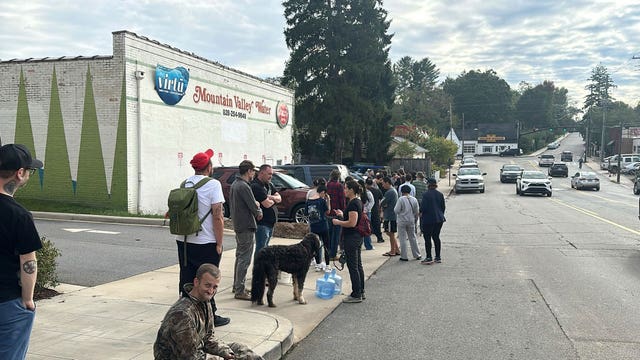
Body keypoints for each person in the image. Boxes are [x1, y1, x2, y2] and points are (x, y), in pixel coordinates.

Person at [154, 263, 264, 360]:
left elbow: (208, 338)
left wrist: (227, 353)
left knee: (241, 350)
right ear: (196, 282)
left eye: (215, 287)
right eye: (207, 285)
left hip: (197, 352)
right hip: (182, 357)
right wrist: (219, 358)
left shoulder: (205, 301)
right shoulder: (182, 314)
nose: (211, 291)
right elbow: (190, 356)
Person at [176, 148, 230, 327]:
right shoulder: (213, 184)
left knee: (187, 277)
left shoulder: (185, 183)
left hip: (184, 240)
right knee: (209, 280)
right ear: (209, 167)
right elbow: (217, 216)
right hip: (206, 242)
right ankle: (209, 316)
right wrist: (220, 243)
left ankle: (183, 315)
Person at [0, 144, 43, 360]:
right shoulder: (19, 215)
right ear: (19, 173)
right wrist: (28, 299)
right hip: (7, 303)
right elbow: (28, 261)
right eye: (29, 170)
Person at [229, 160, 262, 300]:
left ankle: (237, 285)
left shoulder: (235, 185)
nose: (254, 173)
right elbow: (253, 206)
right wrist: (258, 210)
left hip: (238, 224)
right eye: (253, 171)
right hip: (246, 225)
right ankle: (239, 290)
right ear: (249, 171)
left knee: (240, 256)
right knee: (245, 259)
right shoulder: (244, 186)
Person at [332, 180, 365, 303]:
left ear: (351, 190)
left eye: (346, 188)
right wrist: (342, 214)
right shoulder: (356, 202)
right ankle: (361, 290)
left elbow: (352, 223)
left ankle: (356, 293)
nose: (344, 190)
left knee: (353, 266)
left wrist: (338, 222)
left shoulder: (353, 204)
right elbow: (351, 219)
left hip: (352, 237)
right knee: (358, 265)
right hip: (356, 237)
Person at [251, 164, 281, 259]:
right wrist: (273, 200)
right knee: (261, 249)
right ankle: (258, 270)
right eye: (269, 174)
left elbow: (279, 198)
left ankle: (263, 270)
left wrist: (270, 197)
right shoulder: (256, 186)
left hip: (270, 223)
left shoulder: (269, 185)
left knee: (266, 249)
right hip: (262, 224)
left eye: (272, 174)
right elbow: (266, 204)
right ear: (261, 173)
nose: (271, 176)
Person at [420, 178, 446, 264]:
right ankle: (438, 257)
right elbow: (443, 207)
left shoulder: (425, 195)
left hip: (428, 219)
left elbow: (423, 208)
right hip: (439, 219)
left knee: (427, 238)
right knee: (436, 237)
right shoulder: (440, 194)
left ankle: (429, 256)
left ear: (428, 185)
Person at [306, 184, 331, 267]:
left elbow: (306, 213)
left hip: (313, 227)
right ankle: (327, 265)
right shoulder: (322, 201)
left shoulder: (308, 201)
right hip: (323, 226)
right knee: (326, 246)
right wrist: (328, 200)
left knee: (315, 246)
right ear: (323, 192)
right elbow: (328, 212)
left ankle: (317, 264)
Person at [394, 185, 421, 262]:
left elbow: (396, 210)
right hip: (411, 220)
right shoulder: (414, 199)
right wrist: (415, 219)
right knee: (412, 237)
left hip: (402, 220)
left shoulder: (401, 199)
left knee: (402, 238)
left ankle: (404, 256)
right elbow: (416, 211)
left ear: (402, 191)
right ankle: (417, 254)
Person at [326, 169, 345, 260]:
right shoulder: (339, 186)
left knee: (329, 234)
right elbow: (342, 199)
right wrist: (343, 210)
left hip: (328, 212)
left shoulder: (327, 185)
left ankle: (328, 252)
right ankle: (333, 254)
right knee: (336, 235)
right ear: (338, 177)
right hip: (337, 212)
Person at [380, 176, 400, 256]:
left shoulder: (390, 192)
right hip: (391, 215)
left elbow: (382, 203)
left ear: (387, 183)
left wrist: (383, 205)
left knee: (390, 233)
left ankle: (392, 251)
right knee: (389, 233)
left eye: (383, 183)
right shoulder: (393, 191)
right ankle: (397, 249)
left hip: (390, 215)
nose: (382, 185)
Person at [366, 178, 384, 243]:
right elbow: (381, 199)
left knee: (367, 225)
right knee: (377, 224)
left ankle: (368, 240)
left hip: (367, 210)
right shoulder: (377, 190)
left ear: (366, 184)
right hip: (375, 209)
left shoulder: (365, 191)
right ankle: (379, 238)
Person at [358, 179, 375, 250]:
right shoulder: (358, 193)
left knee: (366, 229)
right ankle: (365, 245)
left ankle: (368, 245)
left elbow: (372, 202)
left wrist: (366, 209)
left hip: (366, 213)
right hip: (362, 212)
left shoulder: (368, 193)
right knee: (363, 229)